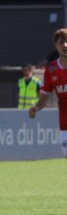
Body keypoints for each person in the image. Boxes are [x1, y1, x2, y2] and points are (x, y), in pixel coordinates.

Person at [27, 29, 67, 159]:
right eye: (61, 42)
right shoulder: (51, 70)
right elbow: (44, 99)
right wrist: (36, 108)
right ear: (56, 45)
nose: (65, 45)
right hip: (65, 125)